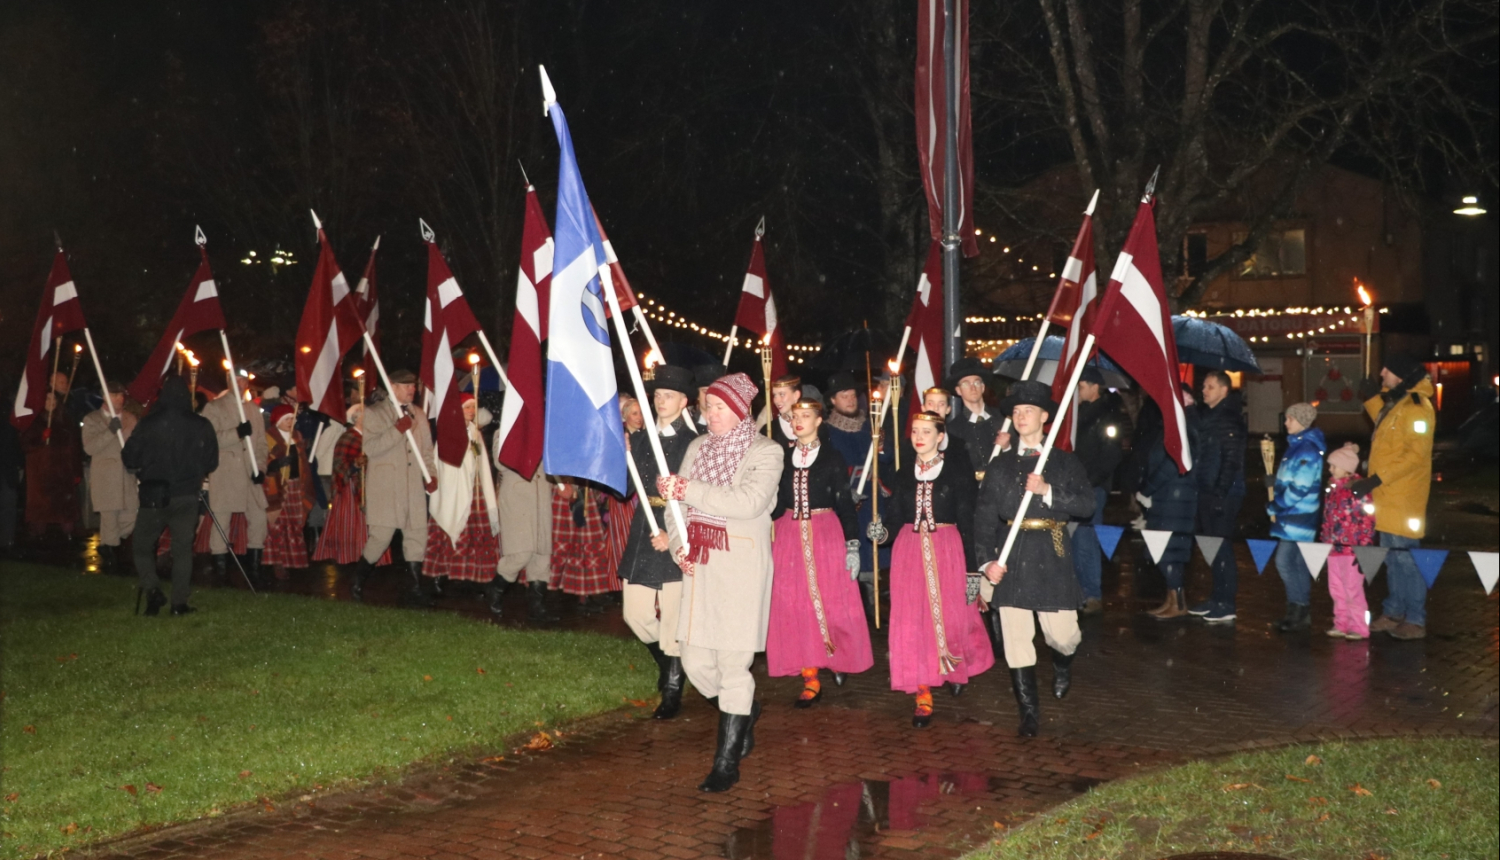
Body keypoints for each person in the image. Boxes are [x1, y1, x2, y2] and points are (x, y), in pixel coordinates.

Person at [656, 372, 783, 793]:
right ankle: (744, 709)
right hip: (700, 567)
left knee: (732, 665)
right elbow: (675, 510)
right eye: (708, 405)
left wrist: (688, 488)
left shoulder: (766, 452)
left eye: (719, 407)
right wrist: (679, 548)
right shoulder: (696, 446)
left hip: (741, 570)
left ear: (740, 409)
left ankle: (726, 764)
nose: (710, 413)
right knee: (694, 663)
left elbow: (748, 503)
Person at [974, 381, 1095, 737]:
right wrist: (986, 563)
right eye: (1015, 411)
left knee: (1064, 636)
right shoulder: (1000, 467)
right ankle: (1028, 714)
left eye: (1029, 410)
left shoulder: (1064, 462)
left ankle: (1062, 663)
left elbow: (1087, 505)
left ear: (1045, 417)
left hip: (1052, 552)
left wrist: (1047, 491)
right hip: (1012, 554)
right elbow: (982, 520)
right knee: (1016, 638)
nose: (1021, 416)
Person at [868, 409, 990, 729]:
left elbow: (968, 523)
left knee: (952, 616)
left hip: (947, 548)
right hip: (908, 551)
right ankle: (922, 691)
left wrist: (973, 571)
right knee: (911, 621)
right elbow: (894, 516)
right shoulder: (903, 472)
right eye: (915, 431)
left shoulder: (956, 473)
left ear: (940, 436)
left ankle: (953, 667)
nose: (919, 437)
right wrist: (883, 533)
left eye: (926, 431)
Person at [767, 398, 872, 707]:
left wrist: (852, 544)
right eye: (795, 416)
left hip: (824, 533)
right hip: (789, 535)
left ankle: (837, 655)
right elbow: (775, 504)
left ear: (818, 421)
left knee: (832, 601)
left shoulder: (832, 458)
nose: (799, 420)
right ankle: (810, 675)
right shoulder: (783, 457)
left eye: (806, 416)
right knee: (794, 604)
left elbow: (844, 503)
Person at [617, 365, 698, 719]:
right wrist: (620, 454)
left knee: (673, 619)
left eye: (669, 396)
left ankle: (673, 690)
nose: (661, 401)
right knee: (634, 614)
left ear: (684, 401)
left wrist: (676, 532)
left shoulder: (696, 439)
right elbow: (628, 486)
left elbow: (698, 495)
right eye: (657, 395)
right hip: (644, 529)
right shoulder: (643, 436)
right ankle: (669, 666)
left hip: (677, 528)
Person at [122, 377, 218, 616]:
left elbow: (130, 457)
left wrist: (149, 464)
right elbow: (212, 461)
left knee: (142, 547)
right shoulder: (201, 424)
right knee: (183, 550)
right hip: (186, 495)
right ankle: (178, 603)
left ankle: (153, 589)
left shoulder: (148, 423)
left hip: (155, 495)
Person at [1360, 353, 1436, 640]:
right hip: (1387, 495)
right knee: (1392, 557)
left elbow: (1416, 455)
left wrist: (1378, 478)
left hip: (1404, 497)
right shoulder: (1399, 402)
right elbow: (1385, 420)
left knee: (1407, 558)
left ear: (1401, 376)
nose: (1381, 373)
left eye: (1387, 369)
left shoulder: (1418, 407)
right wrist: (1370, 397)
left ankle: (1415, 619)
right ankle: (1394, 611)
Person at [351, 371, 438, 606]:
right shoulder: (375, 413)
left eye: (413, 385)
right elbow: (370, 448)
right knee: (381, 537)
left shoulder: (419, 414)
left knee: (416, 536)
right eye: (406, 385)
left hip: (412, 489)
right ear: (392, 386)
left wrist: (431, 475)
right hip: (387, 487)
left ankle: (416, 588)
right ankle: (358, 581)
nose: (411, 389)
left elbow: (427, 452)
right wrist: (397, 430)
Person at [425, 393, 500, 588]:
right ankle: (441, 574)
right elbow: (441, 464)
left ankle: (472, 577)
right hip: (453, 490)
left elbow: (480, 460)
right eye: (467, 407)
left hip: (474, 490)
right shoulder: (448, 432)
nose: (470, 412)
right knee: (449, 530)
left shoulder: (476, 432)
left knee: (474, 534)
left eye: (473, 408)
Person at [1188, 370, 1246, 623]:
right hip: (1207, 490)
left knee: (1221, 548)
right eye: (1204, 386)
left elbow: (1231, 460)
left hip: (1222, 494)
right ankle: (1216, 597)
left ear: (1224, 391)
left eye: (1210, 386)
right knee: (1212, 546)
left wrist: (1220, 493)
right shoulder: (1209, 417)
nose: (1204, 390)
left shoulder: (1228, 419)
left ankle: (1226, 602)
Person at [1138, 392, 1199, 620]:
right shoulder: (1176, 424)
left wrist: (1148, 488)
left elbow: (1174, 463)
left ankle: (1179, 603)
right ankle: (1171, 599)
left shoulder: (1186, 425)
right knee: (1162, 550)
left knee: (1169, 551)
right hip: (1167, 497)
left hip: (1176, 499)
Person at [1070, 368, 1126, 615]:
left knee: (1086, 540)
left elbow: (1110, 455)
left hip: (1092, 488)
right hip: (1074, 487)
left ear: (1094, 387)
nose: (1077, 391)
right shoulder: (1078, 413)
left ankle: (1092, 593)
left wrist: (1090, 482)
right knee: (1073, 539)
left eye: (1081, 386)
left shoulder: (1108, 415)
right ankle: (1078, 591)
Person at [201, 387, 269, 587]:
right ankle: (220, 571)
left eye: (243, 379)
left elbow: (262, 444)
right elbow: (209, 439)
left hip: (249, 474)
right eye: (236, 379)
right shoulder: (214, 407)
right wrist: (236, 433)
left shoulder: (254, 410)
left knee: (258, 518)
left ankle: (254, 569)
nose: (240, 383)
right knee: (222, 521)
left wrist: (261, 468)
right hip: (226, 473)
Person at [1267, 402, 1326, 632]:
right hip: (1294, 517)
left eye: (1289, 419)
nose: (1285, 423)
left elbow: (1299, 488)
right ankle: (1299, 611)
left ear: (1300, 421)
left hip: (1298, 517)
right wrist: (1275, 483)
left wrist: (1276, 505)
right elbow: (1290, 478)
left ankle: (1298, 608)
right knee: (1298, 564)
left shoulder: (1306, 450)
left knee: (1284, 562)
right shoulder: (1296, 447)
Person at [312, 404, 390, 567]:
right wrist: (355, 465)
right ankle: (350, 555)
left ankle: (371, 557)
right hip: (351, 487)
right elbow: (339, 464)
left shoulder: (371, 437)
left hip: (371, 486)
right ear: (358, 418)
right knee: (351, 524)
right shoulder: (348, 437)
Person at [82, 383, 138, 574]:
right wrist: (110, 431)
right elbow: (89, 447)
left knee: (131, 516)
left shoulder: (131, 418)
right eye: (115, 396)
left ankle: (107, 544)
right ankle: (112, 562)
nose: (120, 399)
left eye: (121, 395)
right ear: (105, 398)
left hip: (126, 477)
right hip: (106, 478)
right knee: (110, 518)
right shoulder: (92, 420)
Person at [492, 458, 557, 623]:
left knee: (541, 555)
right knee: (521, 553)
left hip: (541, 494)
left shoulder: (546, 432)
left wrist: (564, 483)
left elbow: (555, 459)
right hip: (517, 497)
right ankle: (495, 589)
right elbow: (501, 462)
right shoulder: (504, 432)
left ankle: (537, 607)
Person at [1322, 442, 1376, 640]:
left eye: (1333, 466)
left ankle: (1359, 626)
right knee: (1336, 588)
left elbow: (1367, 520)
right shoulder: (1332, 489)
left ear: (1346, 468)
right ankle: (1341, 623)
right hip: (1334, 549)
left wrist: (1364, 548)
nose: (1330, 469)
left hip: (1352, 550)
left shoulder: (1358, 491)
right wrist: (1325, 540)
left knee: (1353, 590)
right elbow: (1327, 518)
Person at [20, 391, 83, 540]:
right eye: (47, 398)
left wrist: (77, 471)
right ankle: (38, 537)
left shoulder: (66, 421)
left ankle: (68, 536)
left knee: (64, 507)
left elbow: (74, 448)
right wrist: (41, 438)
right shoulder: (34, 422)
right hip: (41, 472)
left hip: (63, 472)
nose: (51, 401)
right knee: (41, 508)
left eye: (54, 398)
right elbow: (25, 445)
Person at [263, 404, 314, 579]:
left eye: (292, 418)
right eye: (287, 419)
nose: (290, 422)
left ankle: (294, 560)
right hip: (278, 487)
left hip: (296, 485)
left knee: (295, 523)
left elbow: (303, 461)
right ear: (278, 420)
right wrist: (275, 464)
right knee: (278, 523)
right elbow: (263, 460)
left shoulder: (297, 436)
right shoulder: (268, 437)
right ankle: (277, 561)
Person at [944, 357, 1003, 478]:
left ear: (983, 387)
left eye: (976, 382)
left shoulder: (1004, 420)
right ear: (958, 390)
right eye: (966, 383)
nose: (973, 387)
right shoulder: (953, 430)